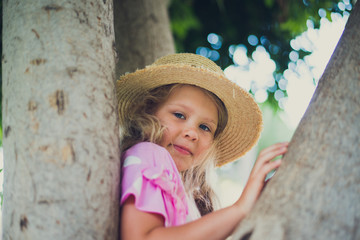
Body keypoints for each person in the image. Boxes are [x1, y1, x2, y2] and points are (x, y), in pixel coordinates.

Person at [116, 53, 288, 239]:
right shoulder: (151, 153)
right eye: (179, 115)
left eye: (205, 127)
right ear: (149, 111)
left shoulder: (194, 196)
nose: (192, 133)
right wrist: (240, 209)